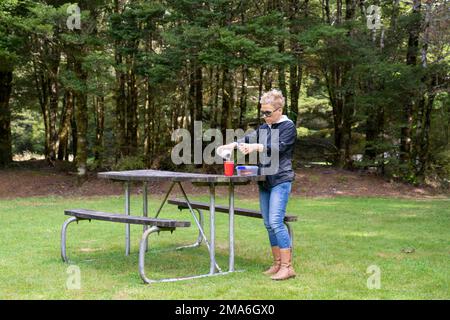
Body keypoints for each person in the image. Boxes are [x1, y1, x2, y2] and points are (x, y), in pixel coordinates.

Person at [218, 89, 297, 280]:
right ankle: (277, 264)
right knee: (268, 224)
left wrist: (257, 147)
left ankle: (288, 267)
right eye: (263, 112)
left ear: (279, 110)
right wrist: (232, 146)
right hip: (265, 181)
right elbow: (248, 139)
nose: (265, 116)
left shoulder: (288, 127)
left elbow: (280, 147)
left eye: (268, 113)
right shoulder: (265, 128)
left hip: (281, 179)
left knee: (277, 222)